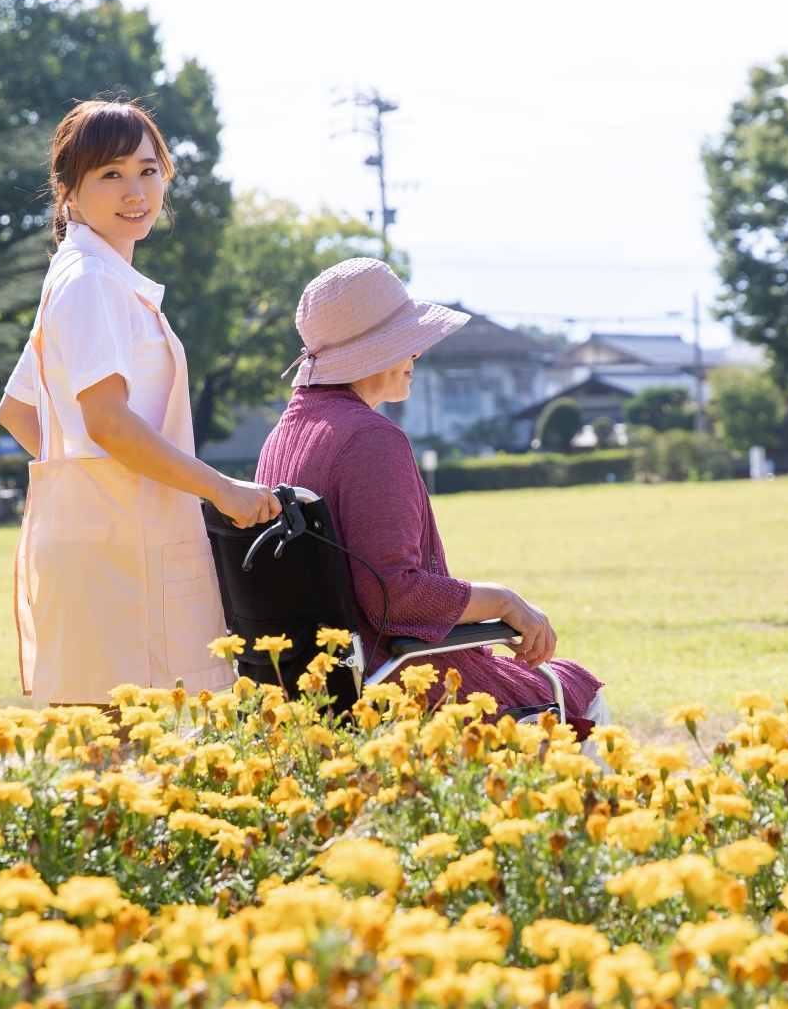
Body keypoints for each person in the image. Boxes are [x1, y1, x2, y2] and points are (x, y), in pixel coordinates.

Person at [0, 99, 280, 706]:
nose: (136, 191)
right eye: (111, 174)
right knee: (116, 757)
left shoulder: (83, 274)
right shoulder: (93, 281)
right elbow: (108, 423)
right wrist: (217, 489)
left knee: (110, 753)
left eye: (149, 170)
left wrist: (102, 486)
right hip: (116, 556)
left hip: (99, 542)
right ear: (68, 191)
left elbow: (20, 412)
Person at [255, 258, 607, 726]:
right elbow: (395, 598)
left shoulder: (282, 436)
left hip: (312, 687)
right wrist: (504, 600)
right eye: (406, 342)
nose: (417, 355)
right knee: (578, 689)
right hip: (396, 681)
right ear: (373, 352)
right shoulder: (369, 439)